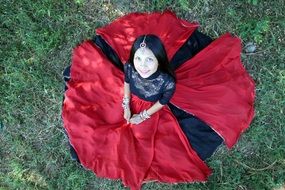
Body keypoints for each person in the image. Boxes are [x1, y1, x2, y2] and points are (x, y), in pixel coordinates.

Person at [62, 10, 255, 190]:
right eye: (138, 59)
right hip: (131, 99)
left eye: (149, 61)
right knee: (94, 121)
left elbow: (162, 103)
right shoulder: (130, 68)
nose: (143, 66)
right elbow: (127, 81)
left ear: (158, 61)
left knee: (140, 146)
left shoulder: (166, 81)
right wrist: (126, 105)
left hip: (151, 108)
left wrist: (143, 116)